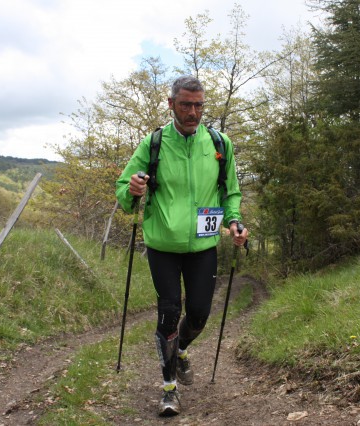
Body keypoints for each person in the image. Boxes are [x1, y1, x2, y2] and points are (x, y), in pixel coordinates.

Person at [115, 75, 248, 416]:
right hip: (163, 244)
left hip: (203, 244)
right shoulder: (154, 143)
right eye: (186, 104)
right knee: (170, 311)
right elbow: (123, 187)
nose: (193, 112)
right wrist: (132, 190)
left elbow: (229, 191)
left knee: (200, 314)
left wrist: (233, 222)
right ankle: (169, 389)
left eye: (199, 105)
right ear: (171, 103)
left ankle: (182, 350)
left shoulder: (220, 144)